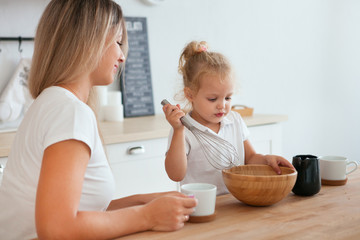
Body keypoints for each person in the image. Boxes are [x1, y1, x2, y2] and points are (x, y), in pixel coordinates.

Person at [0, 1, 197, 239]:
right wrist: (148, 216)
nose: (122, 56)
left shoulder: (51, 102)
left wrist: (146, 203)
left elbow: (82, 212)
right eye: (117, 42)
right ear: (88, 40)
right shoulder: (70, 112)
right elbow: (56, 229)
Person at [162, 41, 294, 195]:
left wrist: (266, 160)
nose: (222, 105)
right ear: (190, 94)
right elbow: (175, 175)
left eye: (228, 98)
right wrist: (178, 131)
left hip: (236, 202)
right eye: (213, 99)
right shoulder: (183, 130)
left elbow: (250, 158)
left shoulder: (235, 120)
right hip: (200, 206)